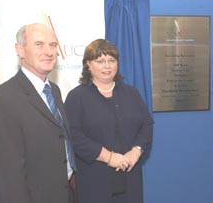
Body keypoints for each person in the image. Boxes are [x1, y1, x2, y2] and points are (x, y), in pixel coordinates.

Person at [0, 23, 77, 203]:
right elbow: (6, 177)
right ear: (20, 50)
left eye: (52, 45)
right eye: (39, 44)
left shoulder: (54, 91)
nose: (49, 51)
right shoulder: (2, 100)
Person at [64, 39, 153, 203]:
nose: (107, 66)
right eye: (100, 61)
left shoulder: (131, 93)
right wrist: (109, 157)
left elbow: (146, 125)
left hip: (130, 179)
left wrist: (136, 151)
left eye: (112, 60)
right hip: (94, 182)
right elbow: (73, 136)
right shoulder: (76, 97)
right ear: (88, 65)